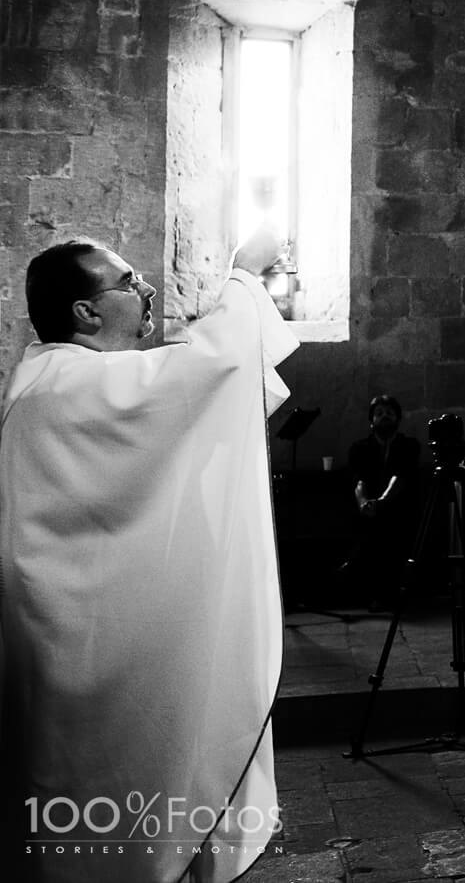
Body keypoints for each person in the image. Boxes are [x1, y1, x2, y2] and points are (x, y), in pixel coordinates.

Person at [0, 228, 292, 881]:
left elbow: (195, 398)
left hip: (86, 650)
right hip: (80, 660)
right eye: (129, 281)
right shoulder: (65, 387)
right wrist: (244, 273)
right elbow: (207, 369)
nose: (148, 287)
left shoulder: (56, 380)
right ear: (87, 311)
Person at [342, 393, 426, 606]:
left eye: (389, 413)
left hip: (399, 509)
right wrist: (363, 503)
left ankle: (392, 593)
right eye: (379, 413)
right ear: (372, 420)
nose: (384, 416)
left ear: (397, 419)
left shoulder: (408, 445)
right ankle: (372, 592)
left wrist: (381, 502)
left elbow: (400, 477)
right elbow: (358, 480)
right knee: (368, 526)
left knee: (390, 525)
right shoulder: (359, 448)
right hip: (370, 510)